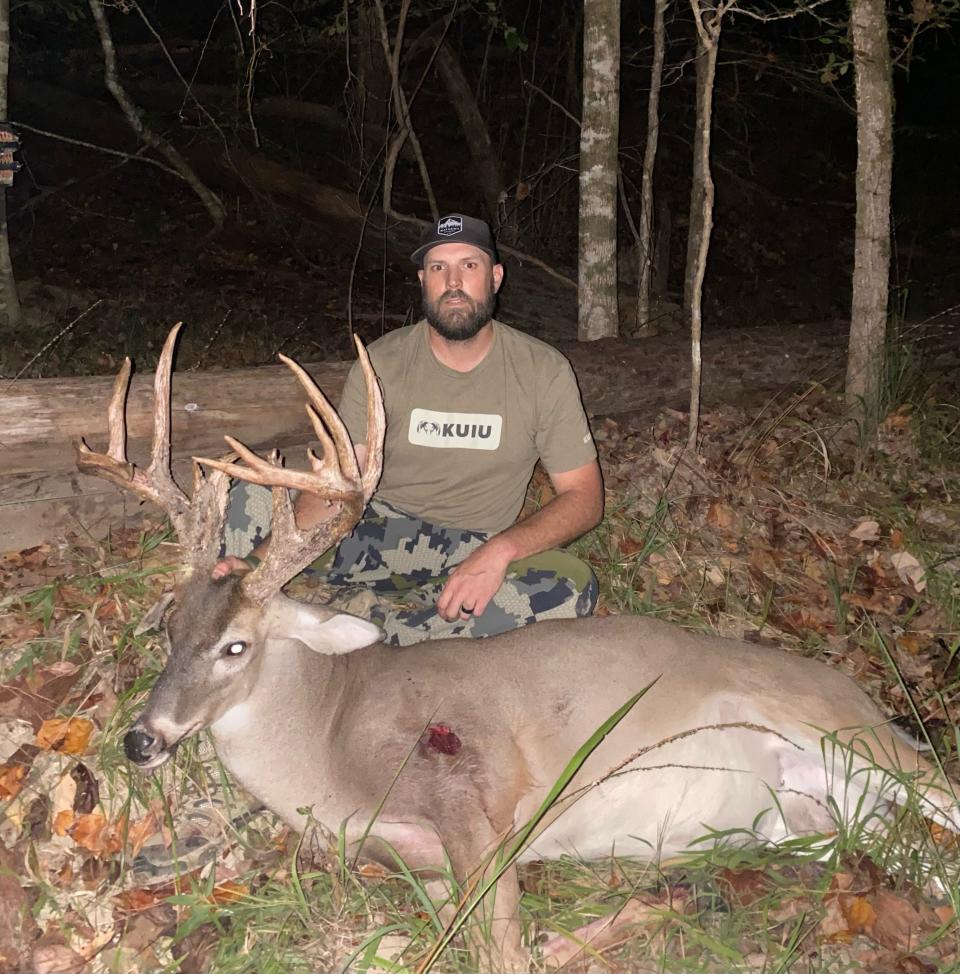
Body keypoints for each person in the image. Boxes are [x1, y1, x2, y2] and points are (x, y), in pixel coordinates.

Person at [215, 213, 603, 645]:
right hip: (371, 528)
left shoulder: (543, 371)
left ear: (495, 277)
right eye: (439, 268)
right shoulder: (381, 362)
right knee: (247, 494)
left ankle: (359, 628)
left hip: (469, 548)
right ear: (423, 279)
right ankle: (280, 607)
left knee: (569, 582)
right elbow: (339, 487)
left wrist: (500, 552)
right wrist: (259, 563)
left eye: (469, 266)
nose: (453, 281)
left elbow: (584, 497)